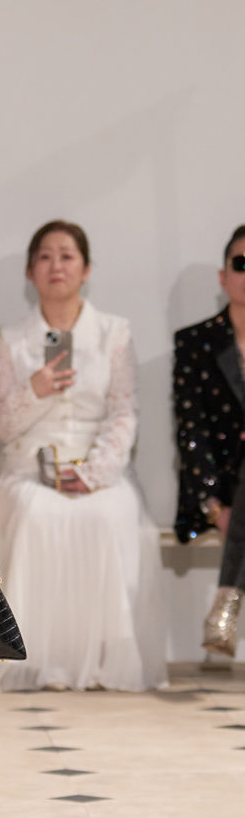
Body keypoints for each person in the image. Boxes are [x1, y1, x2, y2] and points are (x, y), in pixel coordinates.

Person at [0, 220, 166, 693]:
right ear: (29, 272)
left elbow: (124, 413)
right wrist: (34, 390)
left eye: (67, 256)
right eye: (45, 256)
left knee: (110, 513)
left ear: (86, 269)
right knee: (35, 514)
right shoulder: (8, 338)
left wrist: (95, 474)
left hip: (100, 469)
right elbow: (0, 427)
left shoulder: (113, 333)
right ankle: (36, 662)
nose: (56, 265)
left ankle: (102, 662)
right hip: (28, 467)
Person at [174, 224, 245, 657]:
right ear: (224, 276)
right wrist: (214, 506)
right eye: (242, 263)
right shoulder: (195, 343)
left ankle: (226, 601)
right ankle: (226, 605)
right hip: (218, 489)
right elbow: (191, 430)